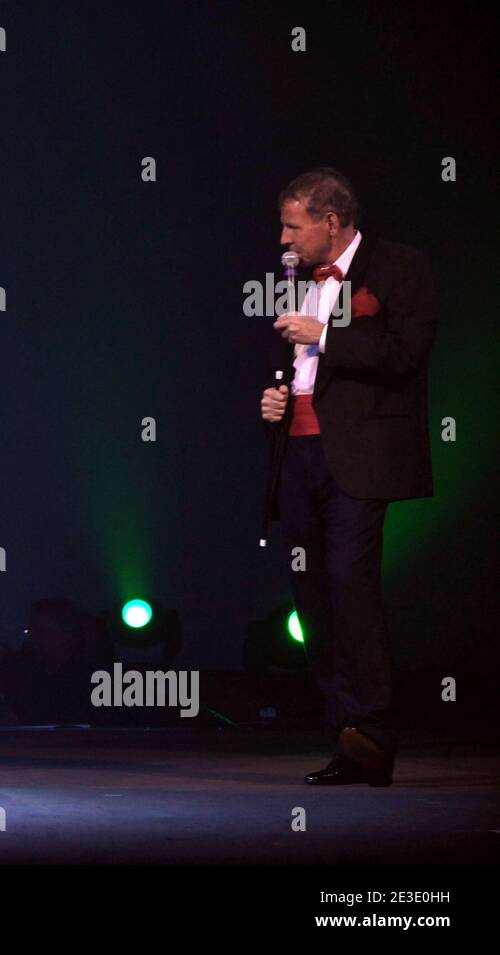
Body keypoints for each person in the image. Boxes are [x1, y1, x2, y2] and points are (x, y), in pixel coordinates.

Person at [261, 169, 438, 786]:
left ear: (331, 222)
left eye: (294, 225)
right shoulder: (292, 279)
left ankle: (375, 733)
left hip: (360, 458)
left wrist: (326, 336)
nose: (283, 237)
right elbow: (294, 368)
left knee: (350, 588)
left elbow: (406, 354)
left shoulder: (398, 267)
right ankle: (345, 735)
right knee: (311, 598)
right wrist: (275, 403)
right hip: (301, 455)